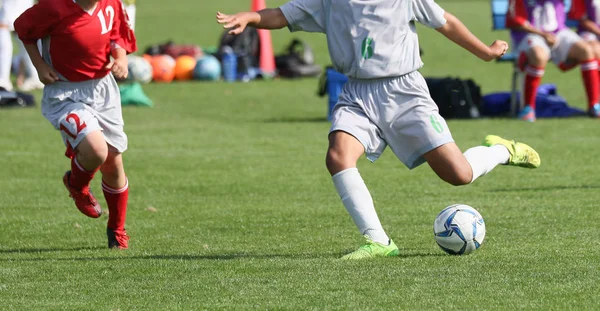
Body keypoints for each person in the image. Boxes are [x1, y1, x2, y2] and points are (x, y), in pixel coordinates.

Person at [217, 0, 541, 259]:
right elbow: (283, 14)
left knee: (459, 174)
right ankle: (378, 241)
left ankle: (500, 150)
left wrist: (485, 51)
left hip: (406, 93)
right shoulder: (329, 2)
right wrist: (252, 17)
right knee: (338, 156)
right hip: (357, 93)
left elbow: (447, 22)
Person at [14, 0, 137, 249]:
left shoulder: (111, 4)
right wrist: (39, 66)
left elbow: (118, 35)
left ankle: (117, 229)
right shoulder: (54, 7)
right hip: (65, 93)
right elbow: (24, 29)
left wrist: (120, 60)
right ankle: (77, 185)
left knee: (113, 163)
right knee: (96, 150)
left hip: (102, 90)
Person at [507, 0, 600, 122]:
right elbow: (515, 21)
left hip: (559, 32)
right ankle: (528, 108)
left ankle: (593, 105)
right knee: (539, 56)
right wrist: (542, 34)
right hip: (529, 34)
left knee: (586, 50)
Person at [0, 0, 43, 91]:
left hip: (20, 7)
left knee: (24, 43)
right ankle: (4, 79)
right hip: (13, 7)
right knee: (12, 40)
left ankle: (4, 79)